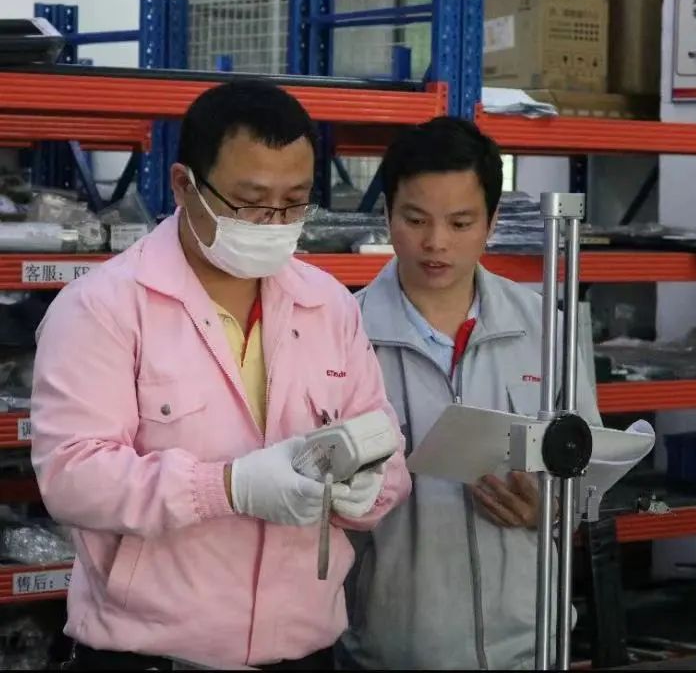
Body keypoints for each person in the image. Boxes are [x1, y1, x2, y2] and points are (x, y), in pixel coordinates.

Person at [30, 79, 411, 671]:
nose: (273, 222)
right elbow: (72, 478)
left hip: (303, 651)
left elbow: (385, 450)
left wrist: (366, 490)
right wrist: (227, 488)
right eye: (249, 201)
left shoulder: (328, 304)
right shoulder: (104, 307)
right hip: (151, 655)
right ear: (184, 185)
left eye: (294, 202)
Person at [336, 117, 602, 671]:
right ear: (386, 214)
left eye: (460, 223)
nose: (436, 243)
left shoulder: (543, 326)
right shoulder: (342, 334)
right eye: (415, 220)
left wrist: (551, 509)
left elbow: (590, 470)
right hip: (394, 651)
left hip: (530, 646)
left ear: (492, 221)